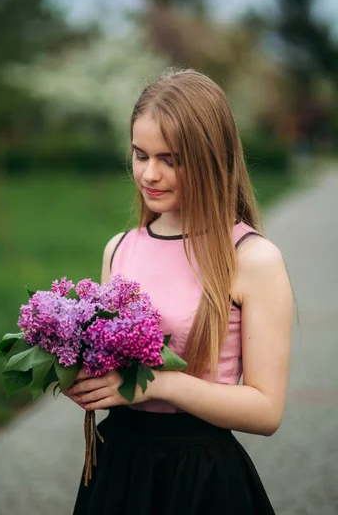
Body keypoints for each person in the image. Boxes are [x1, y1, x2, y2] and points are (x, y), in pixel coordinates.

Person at [65, 68, 293, 514]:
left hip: (199, 474)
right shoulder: (120, 249)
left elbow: (266, 410)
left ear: (211, 158)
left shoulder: (252, 258)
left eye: (170, 159)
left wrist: (153, 386)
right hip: (118, 466)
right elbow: (113, 370)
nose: (149, 174)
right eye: (139, 155)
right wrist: (86, 381)